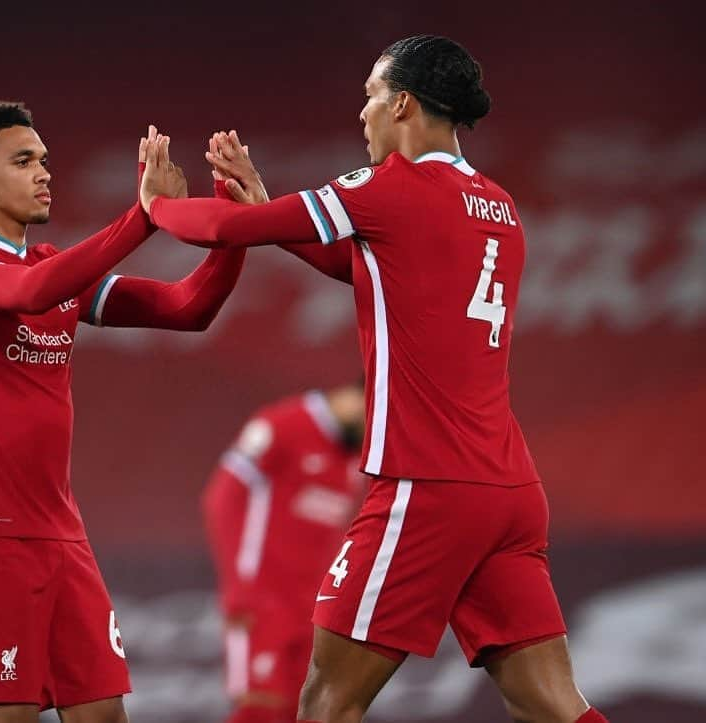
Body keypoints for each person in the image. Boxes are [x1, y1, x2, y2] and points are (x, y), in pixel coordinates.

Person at [140, 36, 607, 723]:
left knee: (328, 699)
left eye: (369, 98)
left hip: (426, 486)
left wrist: (156, 206)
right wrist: (267, 205)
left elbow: (218, 228)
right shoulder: (502, 210)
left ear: (403, 104)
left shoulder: (391, 187)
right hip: (509, 490)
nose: (362, 115)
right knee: (553, 702)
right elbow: (373, 268)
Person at [0, 101, 243, 723]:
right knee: (8, 715)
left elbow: (186, 308)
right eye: (23, 160)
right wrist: (141, 219)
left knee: (102, 715)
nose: (44, 173)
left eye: (44, 160)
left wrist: (233, 227)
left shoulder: (49, 266)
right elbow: (29, 295)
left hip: (61, 530)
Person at [203, 383, 366, 723]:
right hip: (262, 601)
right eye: (373, 418)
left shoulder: (353, 457)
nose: (373, 431)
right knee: (259, 708)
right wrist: (240, 583)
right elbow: (222, 498)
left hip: (313, 609)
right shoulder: (282, 424)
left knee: (306, 711)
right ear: (358, 398)